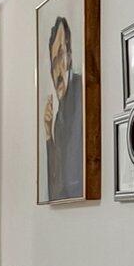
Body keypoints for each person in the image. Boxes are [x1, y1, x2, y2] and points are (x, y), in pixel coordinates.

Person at [41, 13, 87, 199]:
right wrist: (47, 133)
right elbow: (57, 186)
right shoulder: (60, 115)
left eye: (61, 56)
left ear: (70, 55)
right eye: (54, 63)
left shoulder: (83, 94)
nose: (58, 70)